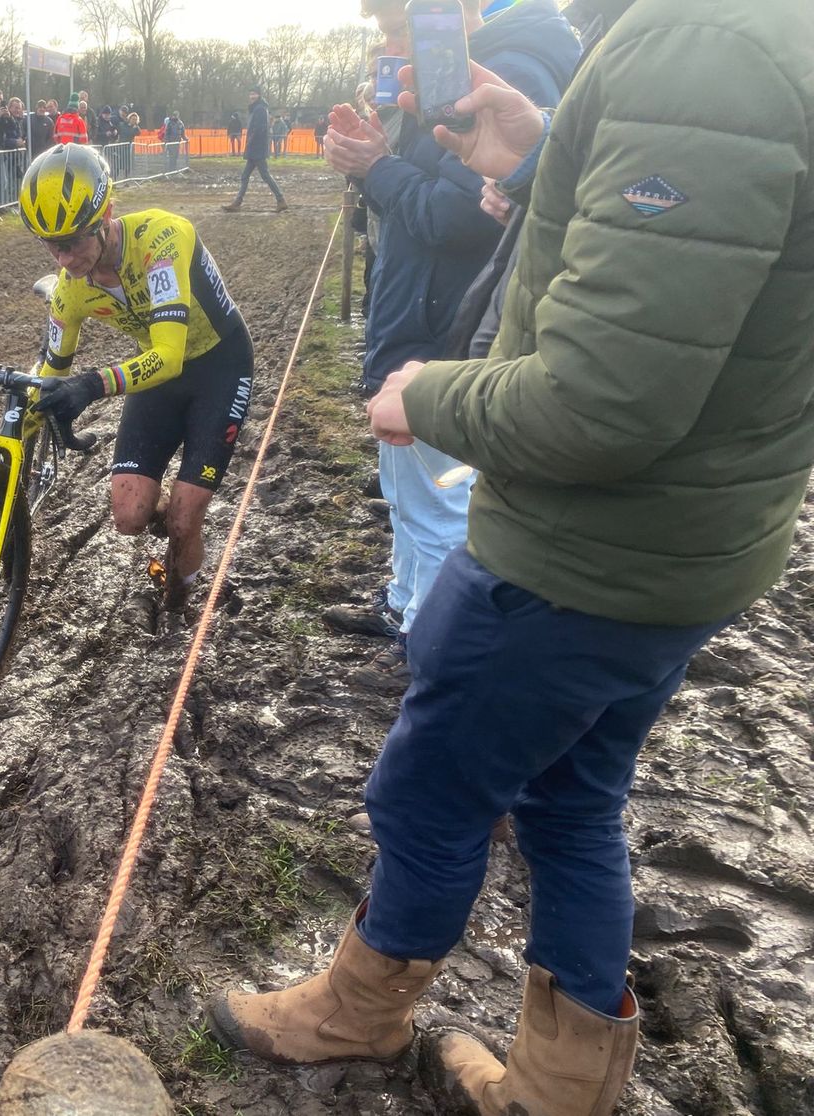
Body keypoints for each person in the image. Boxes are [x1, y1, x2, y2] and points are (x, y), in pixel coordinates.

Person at [206, 4, 814, 1116]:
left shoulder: (705, 47)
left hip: (582, 555)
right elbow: (708, 276)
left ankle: (361, 1012)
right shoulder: (744, 38)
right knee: (575, 802)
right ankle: (561, 1088)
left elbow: (606, 397)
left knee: (428, 791)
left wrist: (427, 395)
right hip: (685, 551)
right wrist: (539, 155)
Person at [319, 0, 578, 691]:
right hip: (426, 312)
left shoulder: (510, 69)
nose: (390, 45)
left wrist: (379, 167)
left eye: (397, 26)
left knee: (437, 503)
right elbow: (431, 194)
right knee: (407, 488)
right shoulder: (469, 70)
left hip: (450, 326)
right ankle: (405, 605)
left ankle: (425, 651)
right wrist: (376, 160)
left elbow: (461, 214)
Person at [19, 144, 256, 631]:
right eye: (50, 245)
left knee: (186, 519)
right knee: (128, 516)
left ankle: (179, 607)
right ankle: (176, 512)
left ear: (104, 216)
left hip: (219, 366)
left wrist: (91, 385)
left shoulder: (161, 239)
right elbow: (51, 373)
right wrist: (19, 426)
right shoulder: (70, 288)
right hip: (160, 376)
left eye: (72, 241)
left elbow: (168, 356)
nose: (64, 257)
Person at [222, 85, 284, 212]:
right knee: (246, 176)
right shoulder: (257, 108)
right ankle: (238, 202)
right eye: (250, 94)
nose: (252, 96)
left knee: (265, 175)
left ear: (259, 95)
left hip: (257, 148)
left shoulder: (260, 109)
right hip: (255, 148)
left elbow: (260, 128)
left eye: (254, 94)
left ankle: (281, 199)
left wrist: (250, 141)